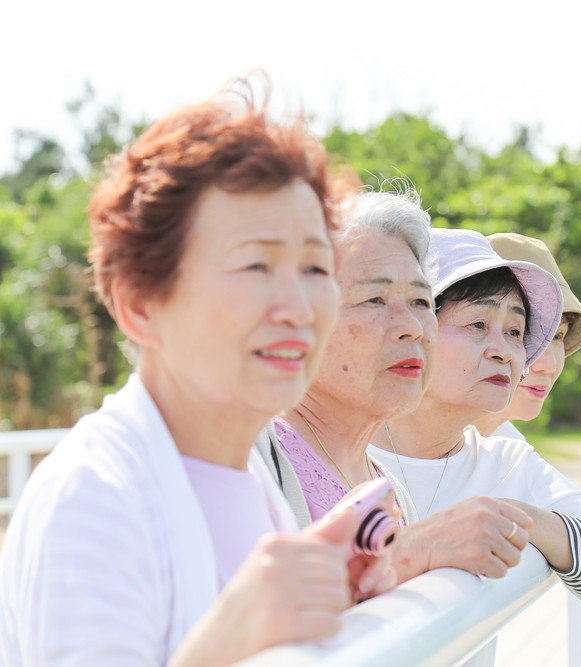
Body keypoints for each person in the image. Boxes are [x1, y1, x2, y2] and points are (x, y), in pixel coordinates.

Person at [0, 78, 388, 666]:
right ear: (139, 304)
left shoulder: (249, 478)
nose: (300, 307)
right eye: (256, 264)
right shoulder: (95, 499)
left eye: (314, 267)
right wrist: (225, 643)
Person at [370, 228, 581, 616]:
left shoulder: (507, 466)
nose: (505, 352)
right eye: (477, 325)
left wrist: (513, 518)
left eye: (515, 332)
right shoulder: (331, 446)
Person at [257, 188, 535, 584]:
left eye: (421, 302)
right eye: (375, 299)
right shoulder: (253, 460)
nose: (412, 328)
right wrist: (412, 552)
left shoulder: (388, 486)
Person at [473, 232, 581, 440]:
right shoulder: (404, 452)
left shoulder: (512, 456)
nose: (548, 364)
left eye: (558, 336)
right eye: (518, 332)